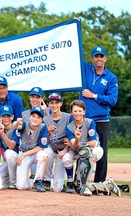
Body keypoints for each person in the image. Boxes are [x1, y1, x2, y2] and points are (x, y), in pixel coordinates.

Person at [80, 46, 118, 183]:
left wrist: (93, 95)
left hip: (102, 120)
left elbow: (113, 100)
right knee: (82, 149)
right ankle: (80, 181)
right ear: (92, 58)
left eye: (101, 56)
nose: (99, 59)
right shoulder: (85, 70)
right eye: (96, 56)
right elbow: (75, 53)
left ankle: (99, 182)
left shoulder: (111, 78)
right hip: (85, 119)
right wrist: (74, 26)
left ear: (105, 59)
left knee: (102, 152)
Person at [65, 100, 104, 196]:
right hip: (78, 151)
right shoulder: (69, 128)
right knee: (68, 158)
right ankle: (77, 184)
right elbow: (74, 147)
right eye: (75, 111)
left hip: (95, 149)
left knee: (89, 154)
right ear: (71, 112)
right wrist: (77, 140)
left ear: (84, 112)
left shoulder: (90, 122)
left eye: (80, 111)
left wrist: (77, 143)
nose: (77, 113)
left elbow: (93, 143)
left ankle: (82, 184)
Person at [42, 93, 74, 193]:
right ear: (48, 104)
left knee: (57, 189)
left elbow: (71, 138)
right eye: (51, 103)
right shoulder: (45, 119)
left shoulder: (69, 117)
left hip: (64, 150)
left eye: (57, 102)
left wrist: (65, 151)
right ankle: (46, 180)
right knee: (46, 153)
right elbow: (44, 141)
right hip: (52, 148)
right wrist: (48, 133)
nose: (54, 105)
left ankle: (65, 183)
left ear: (61, 104)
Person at [12, 107, 48, 192]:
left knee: (43, 155)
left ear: (41, 119)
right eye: (34, 116)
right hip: (24, 154)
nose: (35, 119)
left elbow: (41, 147)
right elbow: (16, 126)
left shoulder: (43, 128)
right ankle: (31, 182)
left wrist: (24, 155)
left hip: (34, 154)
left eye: (38, 117)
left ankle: (38, 181)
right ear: (30, 117)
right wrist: (17, 122)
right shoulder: (24, 124)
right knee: (20, 186)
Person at [0, 105, 18, 189]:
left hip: (19, 160)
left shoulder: (16, 129)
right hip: (9, 162)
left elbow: (11, 146)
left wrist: (2, 133)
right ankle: (9, 181)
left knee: (9, 153)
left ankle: (13, 182)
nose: (5, 119)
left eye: (8, 116)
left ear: (12, 117)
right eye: (3, 116)